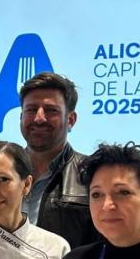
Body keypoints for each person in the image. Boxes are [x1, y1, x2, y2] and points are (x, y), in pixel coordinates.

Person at [18, 72, 98, 249]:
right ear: (21, 117)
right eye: (31, 109)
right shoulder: (0, 175)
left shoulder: (93, 175)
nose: (39, 118)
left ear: (71, 120)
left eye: (51, 110)